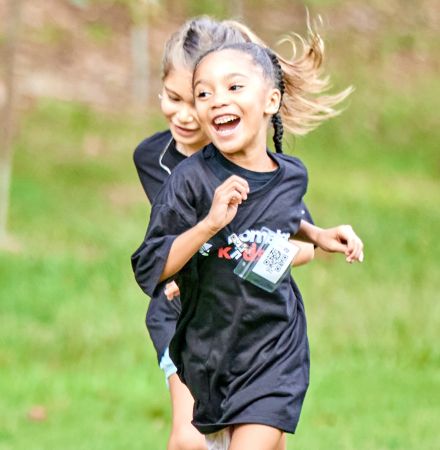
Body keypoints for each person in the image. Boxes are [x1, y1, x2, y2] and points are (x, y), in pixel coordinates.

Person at [132, 40, 363, 450]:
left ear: (270, 100)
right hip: (211, 356)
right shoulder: (189, 180)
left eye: (234, 88)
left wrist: (319, 235)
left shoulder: (290, 174)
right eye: (204, 93)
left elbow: (285, 221)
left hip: (275, 350)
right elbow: (149, 265)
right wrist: (209, 224)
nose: (217, 100)